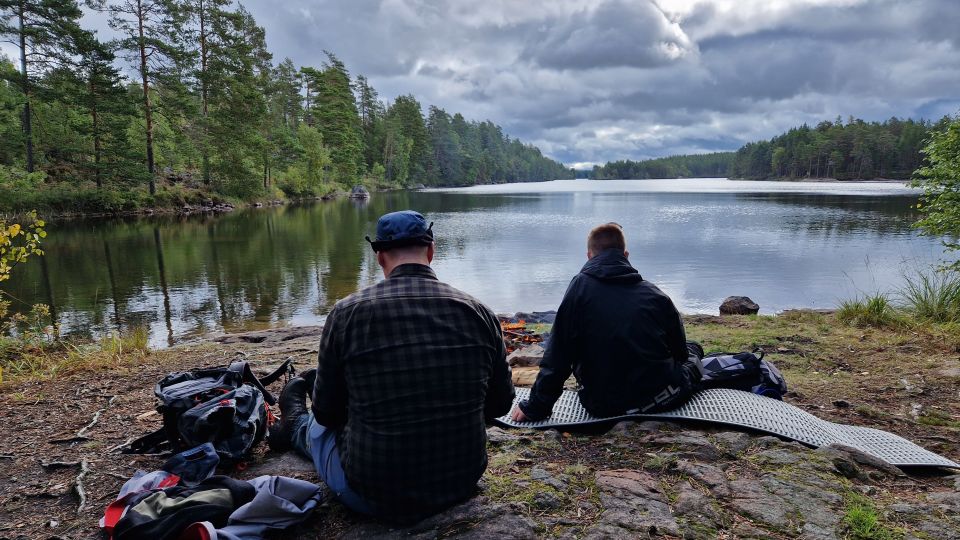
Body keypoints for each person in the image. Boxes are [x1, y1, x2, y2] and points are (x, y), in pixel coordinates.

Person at [268, 210, 515, 524]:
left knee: (318, 426)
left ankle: (296, 427)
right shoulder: (479, 312)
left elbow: (328, 414)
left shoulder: (346, 314)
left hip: (372, 493)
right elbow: (500, 403)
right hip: (460, 483)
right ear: (431, 250)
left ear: (380, 256)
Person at [511, 222, 702, 423]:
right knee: (693, 349)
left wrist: (535, 408)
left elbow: (558, 356)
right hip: (662, 397)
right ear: (625, 255)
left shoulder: (579, 289)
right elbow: (680, 353)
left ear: (589, 256)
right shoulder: (655, 295)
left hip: (602, 406)